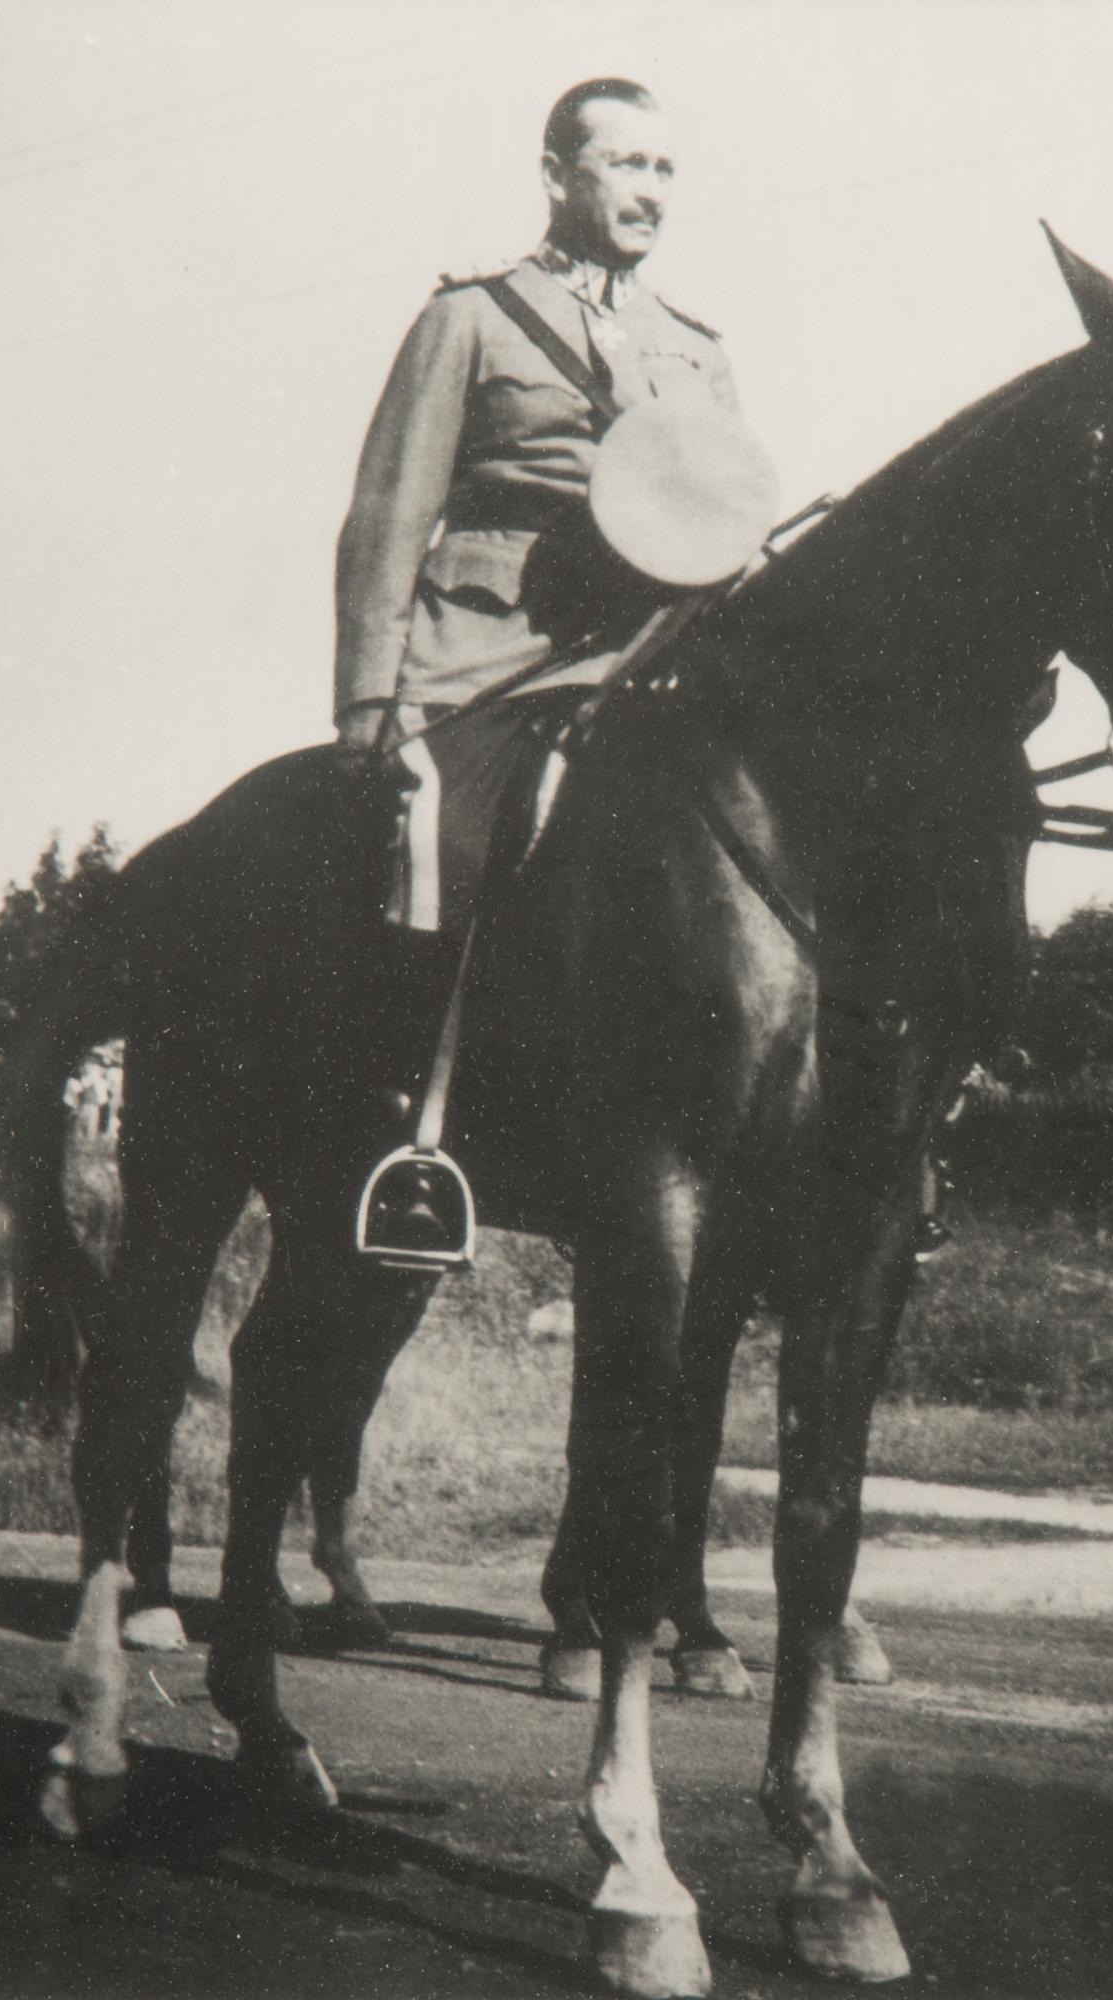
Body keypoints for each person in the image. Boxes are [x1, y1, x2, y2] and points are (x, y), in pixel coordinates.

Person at [333, 77, 754, 1258]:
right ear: (558, 174)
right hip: (494, 648)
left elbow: (719, 523)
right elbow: (386, 515)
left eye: (665, 170)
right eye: (624, 164)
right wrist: (371, 700)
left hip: (655, 651)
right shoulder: (471, 319)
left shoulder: (696, 351)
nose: (649, 191)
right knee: (451, 836)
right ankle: (410, 1136)